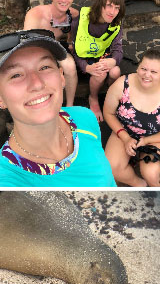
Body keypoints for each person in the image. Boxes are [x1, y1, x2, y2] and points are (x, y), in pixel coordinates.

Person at [0, 30, 115, 186]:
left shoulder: (84, 118)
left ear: (61, 77)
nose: (37, 83)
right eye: (16, 75)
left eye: (44, 67)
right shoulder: (8, 181)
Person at [102, 48, 160, 186]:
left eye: (153, 72)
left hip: (154, 136)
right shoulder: (122, 84)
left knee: (151, 171)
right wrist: (125, 137)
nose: (147, 75)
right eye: (143, 69)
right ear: (138, 68)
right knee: (111, 167)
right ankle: (139, 184)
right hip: (124, 131)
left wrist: (147, 140)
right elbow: (108, 113)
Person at [69, 0, 125, 121]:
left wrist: (113, 61)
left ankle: (110, 97)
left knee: (115, 71)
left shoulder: (116, 23)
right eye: (109, 6)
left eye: (117, 8)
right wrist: (86, 67)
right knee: (100, 74)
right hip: (83, 58)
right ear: (100, 5)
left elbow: (118, 48)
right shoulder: (81, 19)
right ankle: (93, 98)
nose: (113, 12)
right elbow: (72, 48)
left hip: (101, 56)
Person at [22, 0, 79, 105]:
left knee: (69, 66)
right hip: (34, 50)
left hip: (54, 46)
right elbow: (26, 42)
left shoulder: (73, 14)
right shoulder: (36, 14)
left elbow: (74, 30)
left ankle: (70, 106)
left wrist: (70, 41)